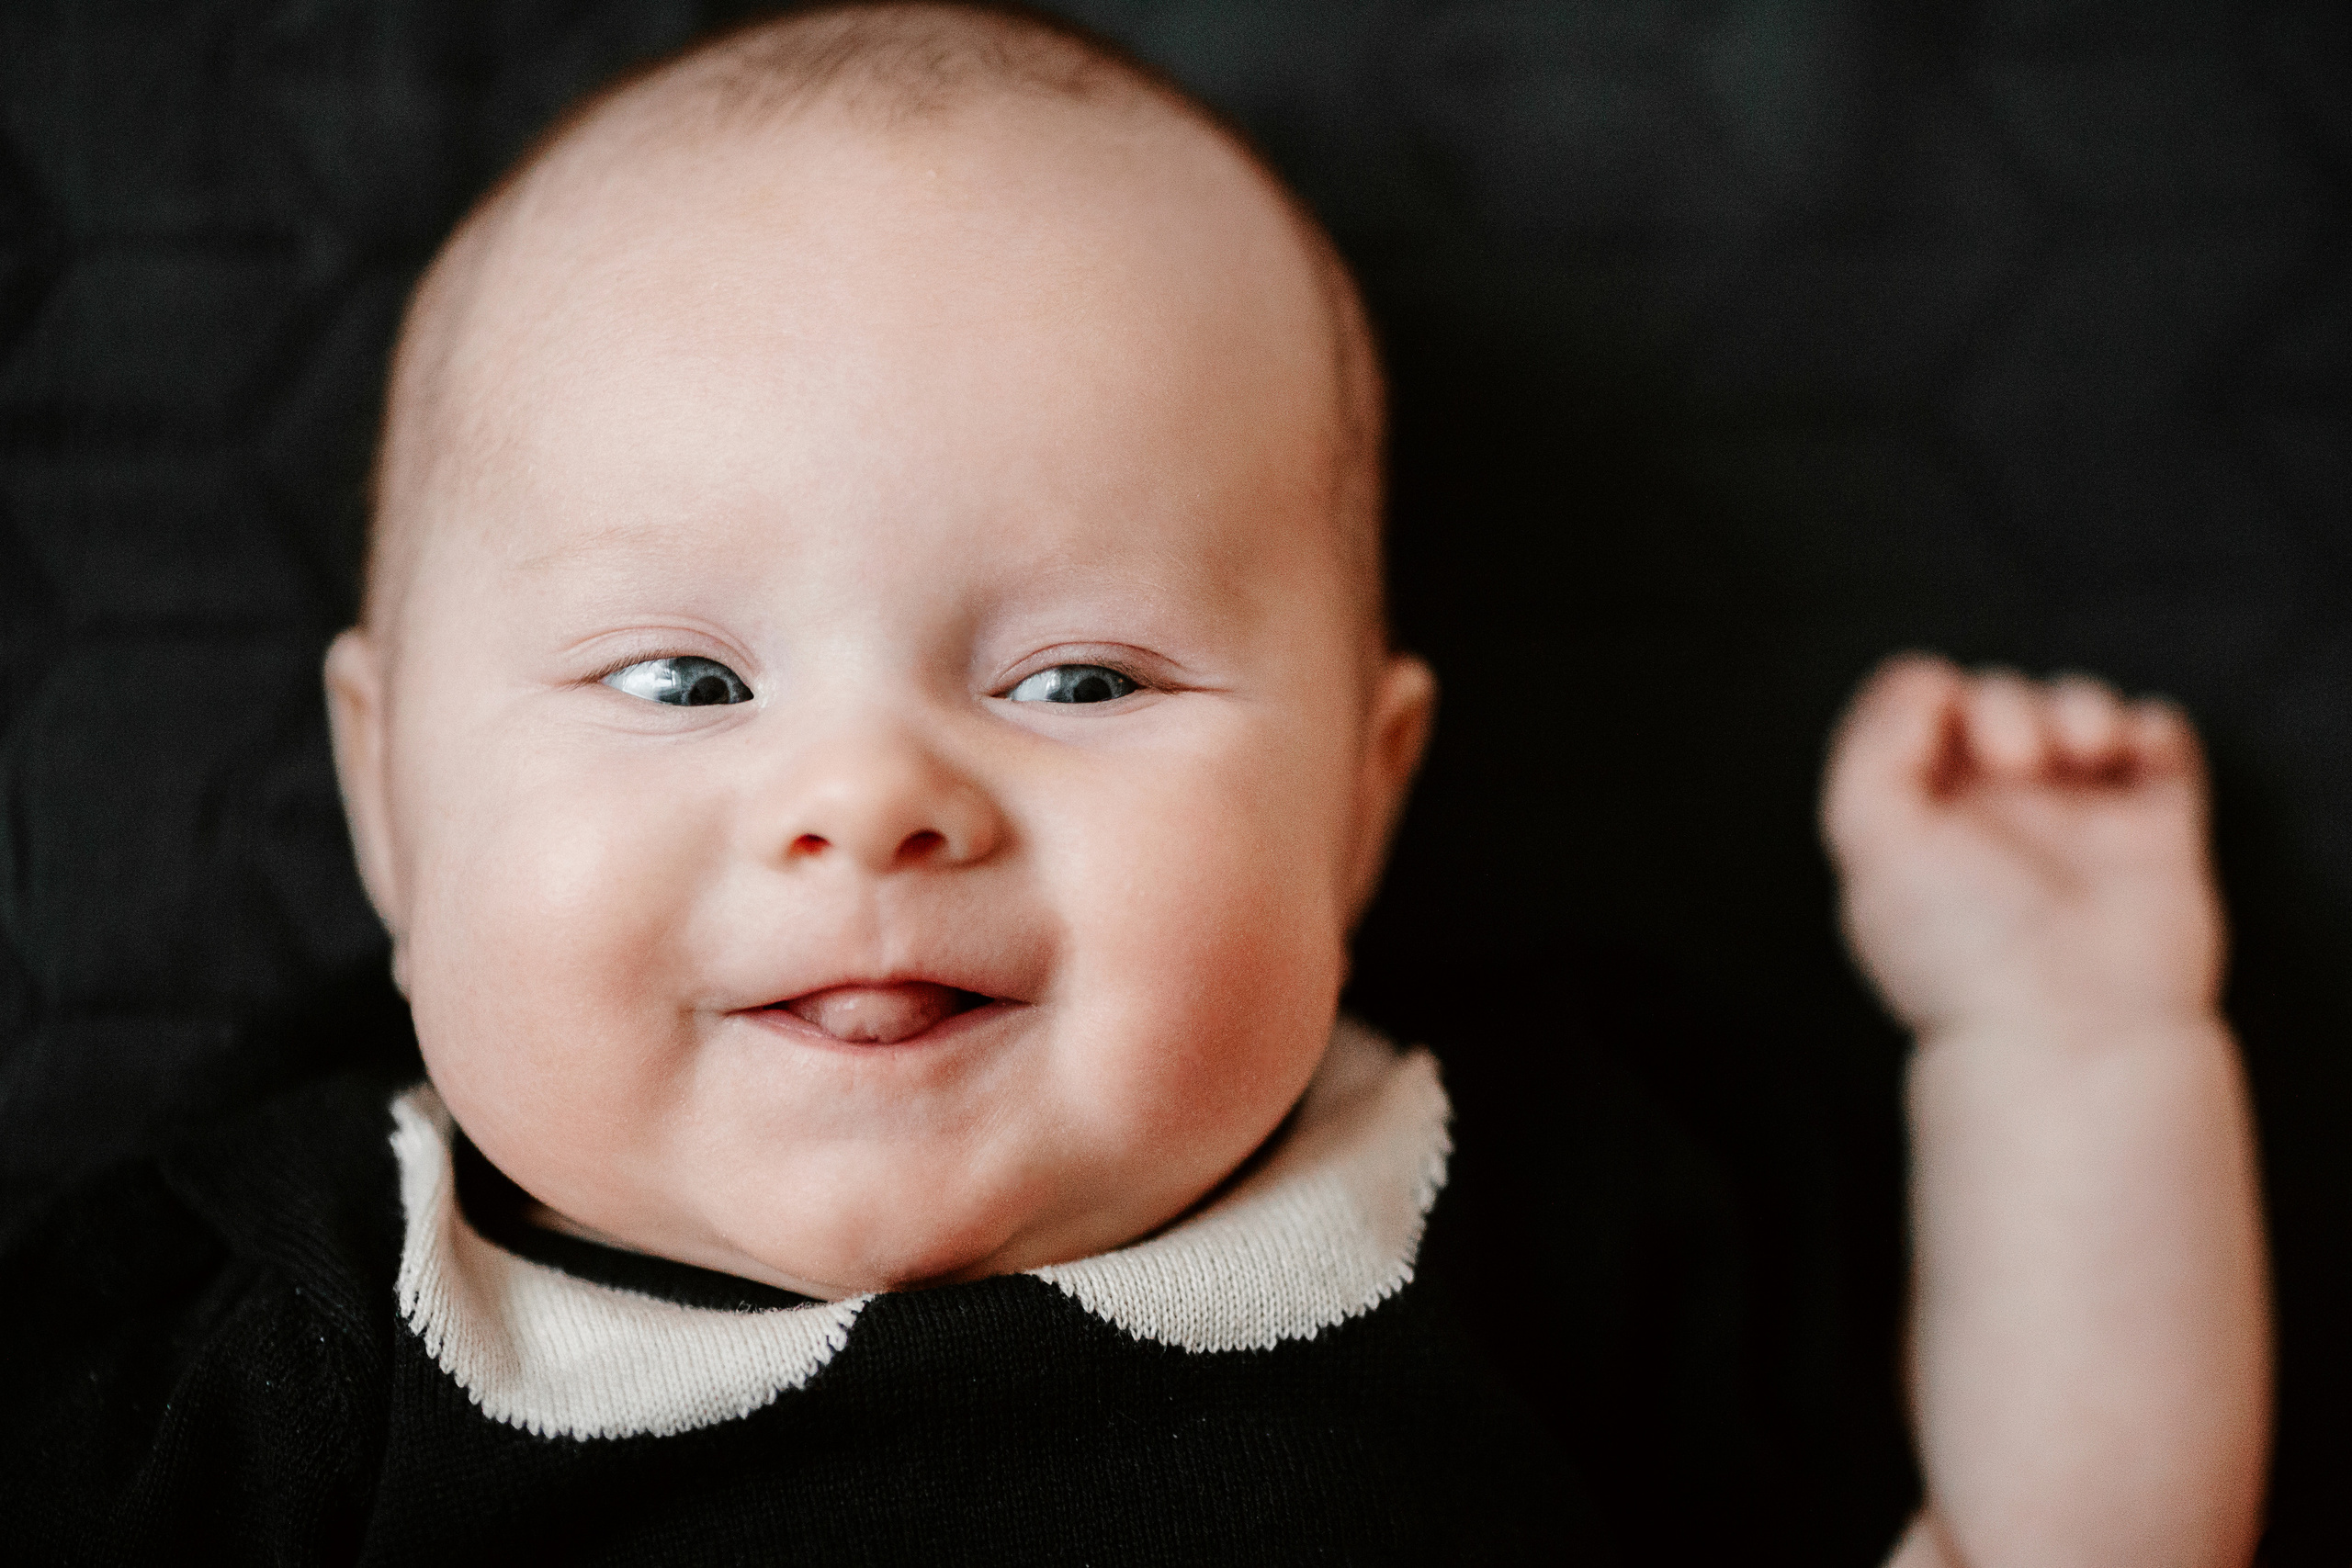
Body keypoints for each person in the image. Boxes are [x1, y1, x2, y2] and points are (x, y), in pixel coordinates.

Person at [0, 5, 2269, 1562]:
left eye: (1080, 675)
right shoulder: (286, 1334)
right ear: (387, 804)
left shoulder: (1534, 1210)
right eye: (685, 678)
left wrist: (2061, 1041)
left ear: (1362, 803)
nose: (871, 799)